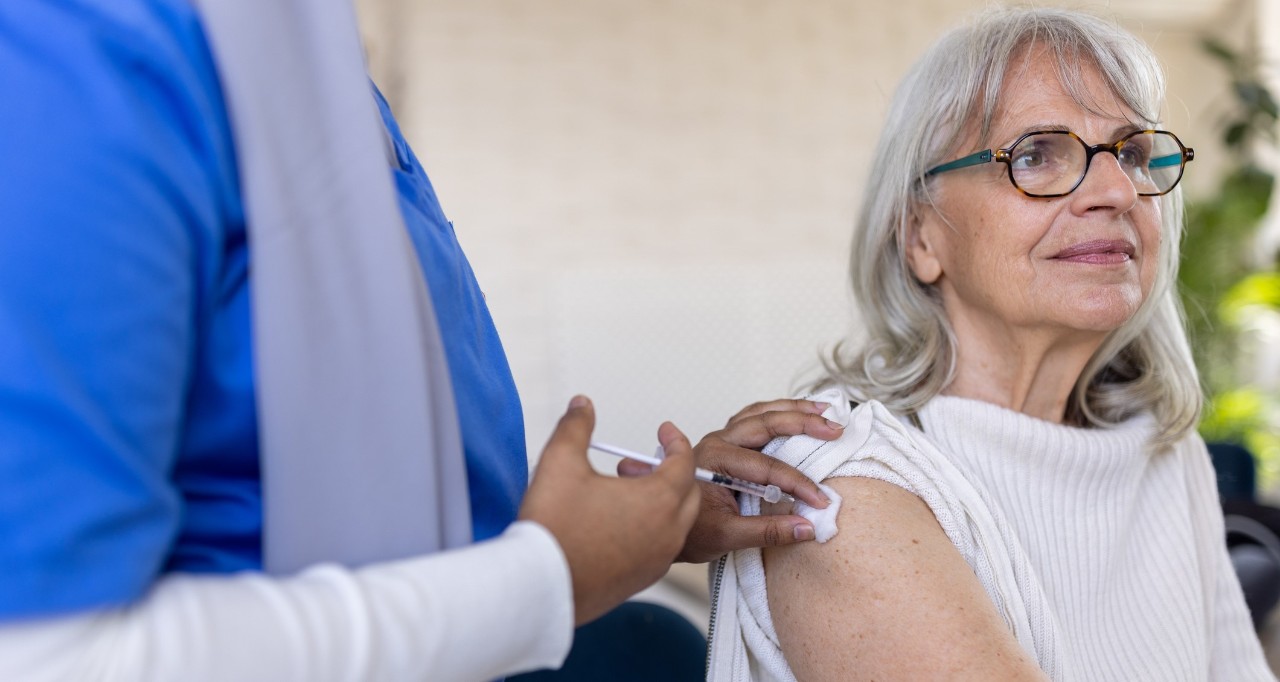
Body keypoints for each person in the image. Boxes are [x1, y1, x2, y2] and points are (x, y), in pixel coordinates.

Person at [0, 1, 842, 680]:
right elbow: (48, 657)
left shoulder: (321, 76)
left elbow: (350, 468)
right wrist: (545, 577)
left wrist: (637, 525)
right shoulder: (88, 58)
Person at [706, 7, 1277, 681]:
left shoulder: (1163, 451)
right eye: (1036, 154)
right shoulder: (836, 483)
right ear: (922, 237)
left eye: (1129, 152)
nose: (1118, 190)